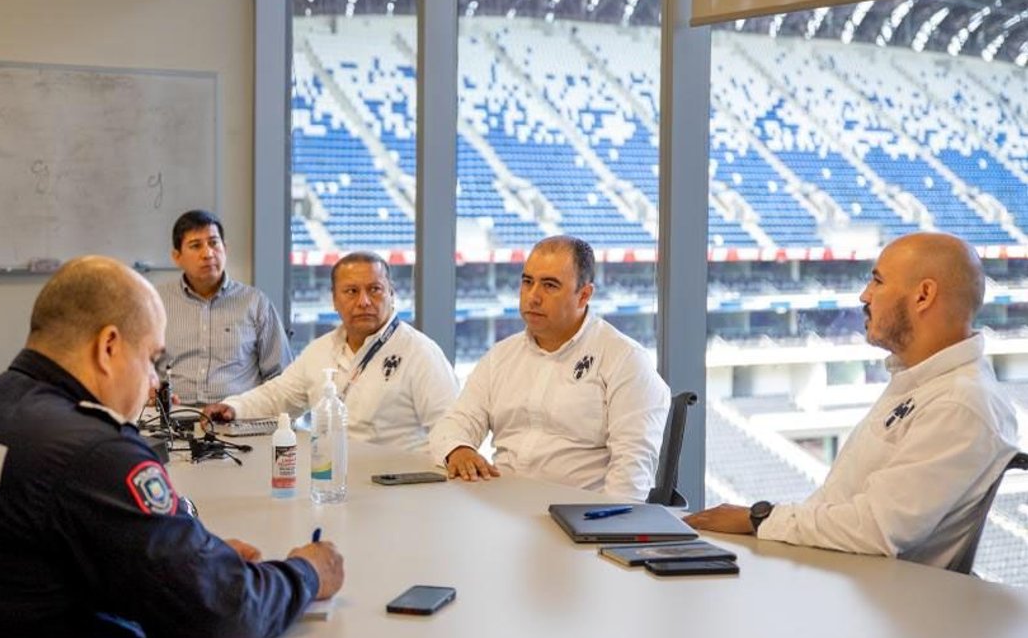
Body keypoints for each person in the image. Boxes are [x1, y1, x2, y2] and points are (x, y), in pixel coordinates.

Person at [0, 256, 343, 638]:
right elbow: (226, 616)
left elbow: (36, 556)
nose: (154, 383)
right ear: (108, 346)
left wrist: (181, 559)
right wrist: (305, 572)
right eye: (152, 360)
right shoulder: (93, 452)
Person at [686, 232, 1018, 569]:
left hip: (880, 607)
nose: (865, 295)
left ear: (923, 295)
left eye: (877, 281)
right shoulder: (922, 384)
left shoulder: (961, 404)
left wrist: (756, 519)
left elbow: (875, 529)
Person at [428, 236, 668, 498]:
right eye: (527, 282)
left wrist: (602, 530)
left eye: (550, 285)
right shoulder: (501, 356)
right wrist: (459, 449)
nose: (533, 296)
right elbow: (454, 423)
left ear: (584, 295)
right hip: (501, 506)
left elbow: (631, 474)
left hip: (576, 518)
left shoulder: (625, 359)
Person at [204, 252, 457, 453]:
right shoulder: (321, 350)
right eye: (351, 291)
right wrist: (233, 407)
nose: (364, 301)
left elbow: (451, 427)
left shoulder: (421, 353)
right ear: (334, 300)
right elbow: (278, 396)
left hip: (399, 488)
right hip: (330, 477)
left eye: (375, 289)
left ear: (392, 295)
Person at [157, 210, 293, 405]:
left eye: (214, 243)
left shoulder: (255, 303)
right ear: (176, 256)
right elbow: (139, 368)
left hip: (236, 419)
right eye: (196, 246)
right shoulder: (157, 303)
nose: (208, 253)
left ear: (225, 248)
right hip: (173, 417)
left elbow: (281, 376)